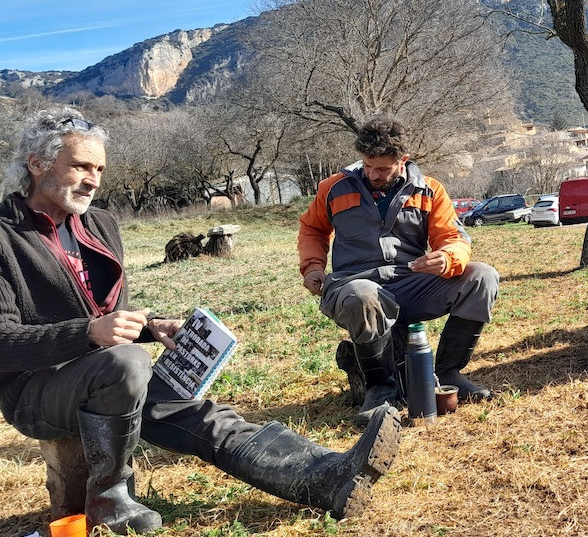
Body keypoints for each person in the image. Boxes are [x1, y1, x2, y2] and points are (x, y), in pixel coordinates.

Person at [0, 108, 403, 535]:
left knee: (201, 415)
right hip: (37, 390)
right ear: (37, 163)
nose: (94, 179)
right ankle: (108, 504)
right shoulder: (5, 235)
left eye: (99, 168)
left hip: (111, 374)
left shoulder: (97, 224)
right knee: (126, 363)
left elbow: (106, 317)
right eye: (81, 165)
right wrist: (88, 333)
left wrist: (149, 325)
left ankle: (325, 476)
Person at [298, 117, 499, 421]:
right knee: (364, 296)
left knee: (482, 277)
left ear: (402, 161)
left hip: (410, 284)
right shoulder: (333, 189)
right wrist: (313, 266)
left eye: (382, 169)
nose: (372, 174)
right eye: (367, 165)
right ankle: (380, 389)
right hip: (353, 286)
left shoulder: (429, 190)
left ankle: (448, 373)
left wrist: (447, 257)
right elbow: (312, 229)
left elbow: (454, 237)